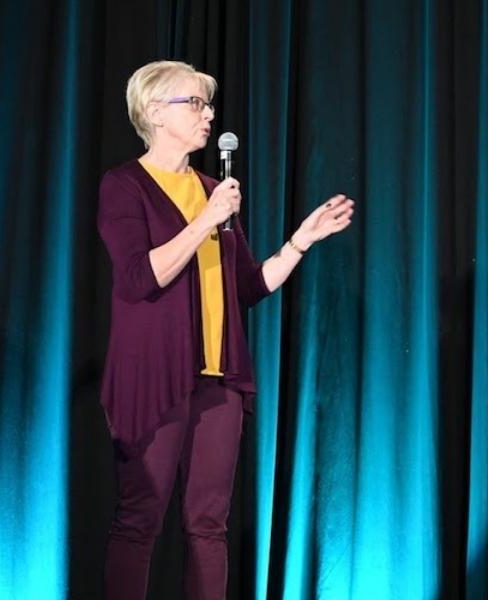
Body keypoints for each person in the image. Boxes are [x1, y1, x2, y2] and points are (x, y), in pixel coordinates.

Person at [97, 60, 354, 600]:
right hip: (155, 377)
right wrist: (205, 221)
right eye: (194, 103)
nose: (208, 113)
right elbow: (141, 276)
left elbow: (245, 289)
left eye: (208, 104)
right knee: (140, 519)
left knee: (208, 526)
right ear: (152, 112)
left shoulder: (215, 191)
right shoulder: (125, 186)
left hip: (220, 382)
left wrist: (300, 241)